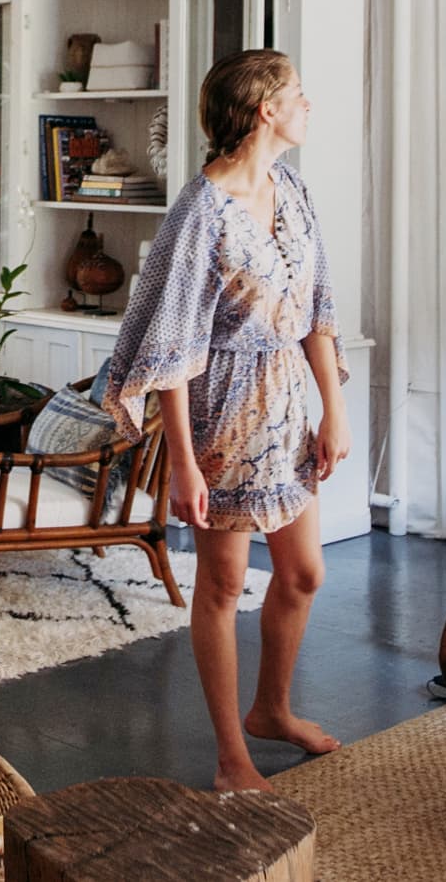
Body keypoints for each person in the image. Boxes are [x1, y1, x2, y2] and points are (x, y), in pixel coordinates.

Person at [101, 47, 352, 791]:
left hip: (287, 405)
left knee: (303, 572)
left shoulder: (292, 189)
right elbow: (173, 346)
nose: (308, 104)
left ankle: (271, 709)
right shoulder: (199, 212)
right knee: (224, 582)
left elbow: (318, 307)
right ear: (266, 109)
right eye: (298, 93)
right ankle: (229, 757)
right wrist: (181, 462)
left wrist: (333, 410)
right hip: (222, 410)